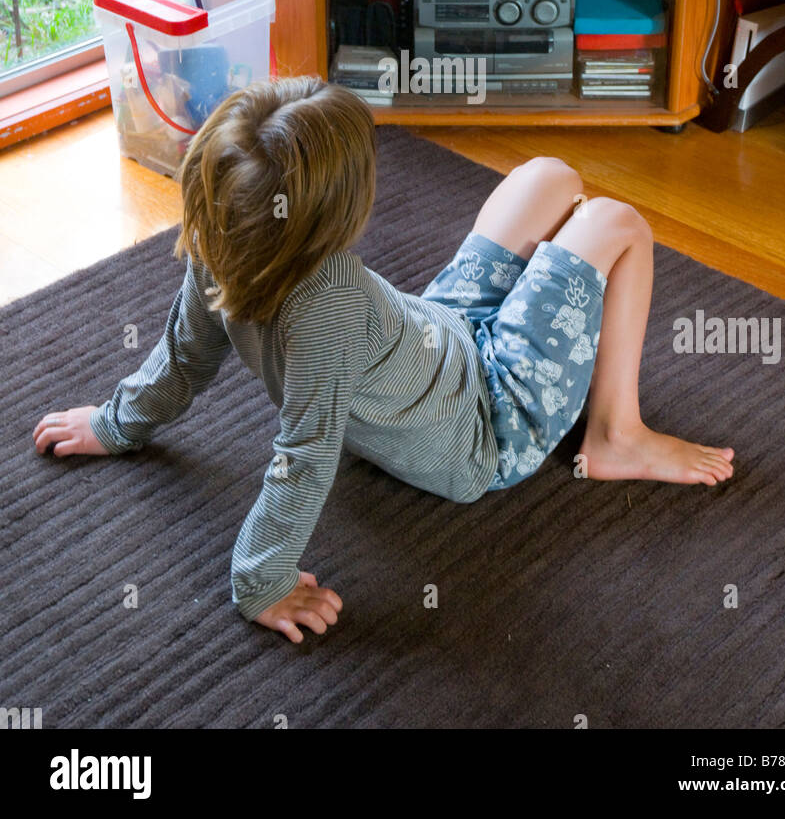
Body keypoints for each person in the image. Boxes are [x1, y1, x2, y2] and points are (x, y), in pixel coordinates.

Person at [33, 77, 734, 644]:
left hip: (442, 336)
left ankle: (557, 316)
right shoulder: (325, 302)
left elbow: (183, 360)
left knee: (547, 175)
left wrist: (115, 423)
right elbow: (303, 456)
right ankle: (616, 434)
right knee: (616, 222)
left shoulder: (223, 247)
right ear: (337, 220)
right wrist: (261, 580)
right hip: (489, 424)